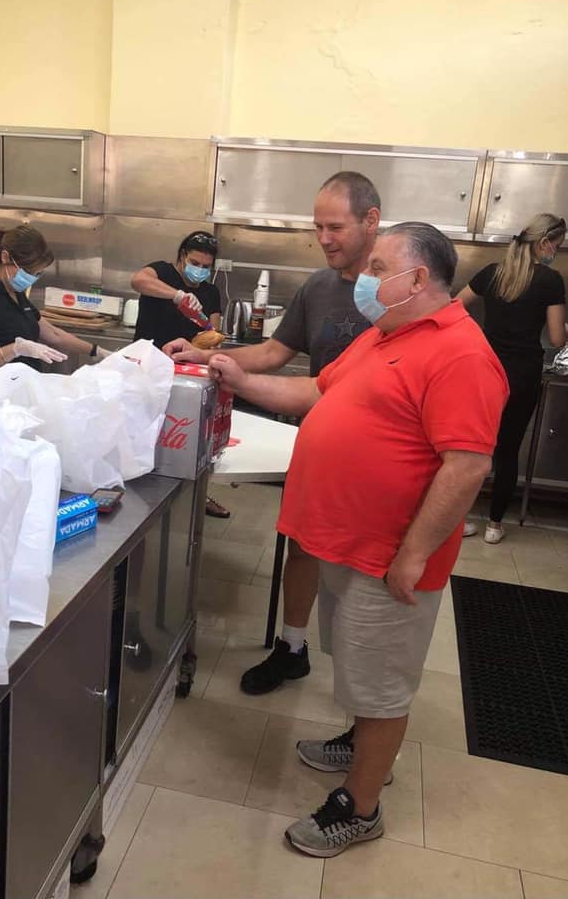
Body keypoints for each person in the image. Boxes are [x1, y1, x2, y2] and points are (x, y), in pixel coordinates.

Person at [208, 222, 508, 858]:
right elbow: (316, 391)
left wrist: (414, 554)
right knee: (359, 665)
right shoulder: (387, 334)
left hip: (388, 556)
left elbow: (467, 466)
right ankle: (361, 744)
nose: (365, 279)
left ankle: (361, 806)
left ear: (417, 279)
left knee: (382, 683)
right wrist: (240, 379)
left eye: (377, 268)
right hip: (345, 543)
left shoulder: (461, 354)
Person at [165, 172, 378, 692]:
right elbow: (274, 353)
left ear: (371, 221)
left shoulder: (395, 294)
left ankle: (366, 690)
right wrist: (207, 356)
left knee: (366, 567)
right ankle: (292, 647)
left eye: (335, 227)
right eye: (317, 227)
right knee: (303, 545)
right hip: (320, 441)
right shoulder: (319, 287)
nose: (324, 238)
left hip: (377, 453)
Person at [457, 213, 566, 543]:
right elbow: (556, 338)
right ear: (544, 243)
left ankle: (459, 520)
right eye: (558, 245)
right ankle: (494, 525)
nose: (557, 252)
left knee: (472, 448)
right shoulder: (550, 281)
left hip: (485, 371)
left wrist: (474, 343)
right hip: (523, 376)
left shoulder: (493, 273)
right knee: (507, 449)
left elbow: (453, 308)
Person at [131, 230, 229, 517]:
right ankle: (137, 488)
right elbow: (138, 280)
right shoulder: (162, 272)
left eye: (206, 266)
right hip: (147, 371)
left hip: (186, 379)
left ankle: (196, 495)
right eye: (195, 263)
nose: (199, 270)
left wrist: (205, 339)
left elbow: (212, 332)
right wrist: (177, 296)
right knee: (142, 435)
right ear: (182, 257)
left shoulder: (210, 292)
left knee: (187, 440)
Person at [0, 225, 112, 375]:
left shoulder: (15, 293)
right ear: (5, 257)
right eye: (28, 271)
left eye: (37, 274)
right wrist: (14, 350)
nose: (31, 278)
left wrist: (96, 351)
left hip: (23, 383)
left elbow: (53, 334)